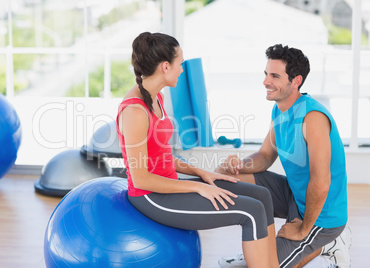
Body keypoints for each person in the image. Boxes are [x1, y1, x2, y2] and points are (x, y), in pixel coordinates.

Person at [116, 32, 279, 268]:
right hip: (151, 198)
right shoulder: (134, 111)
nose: (182, 69)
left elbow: (162, 157)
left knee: (262, 195)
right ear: (165, 66)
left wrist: (202, 173)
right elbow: (141, 178)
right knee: (251, 212)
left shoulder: (156, 97)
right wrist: (196, 186)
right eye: (180, 63)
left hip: (170, 186)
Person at [215, 44, 351, 268]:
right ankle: (258, 250)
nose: (266, 81)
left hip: (321, 216)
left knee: (266, 266)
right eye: (266, 74)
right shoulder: (279, 109)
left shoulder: (313, 118)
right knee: (224, 176)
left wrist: (303, 229)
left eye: (275, 76)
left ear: (296, 81)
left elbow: (321, 182)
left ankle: (328, 243)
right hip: (294, 196)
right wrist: (239, 165)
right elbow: (265, 156)